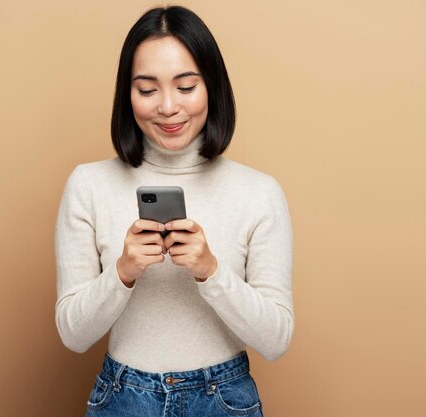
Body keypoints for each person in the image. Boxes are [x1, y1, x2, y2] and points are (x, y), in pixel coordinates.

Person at [54, 5, 294, 416]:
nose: (167, 107)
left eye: (186, 87)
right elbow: (73, 335)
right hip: (123, 398)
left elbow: (276, 339)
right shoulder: (88, 185)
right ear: (127, 94)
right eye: (147, 90)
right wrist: (122, 273)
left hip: (223, 400)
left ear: (212, 88)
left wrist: (211, 272)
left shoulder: (259, 192)